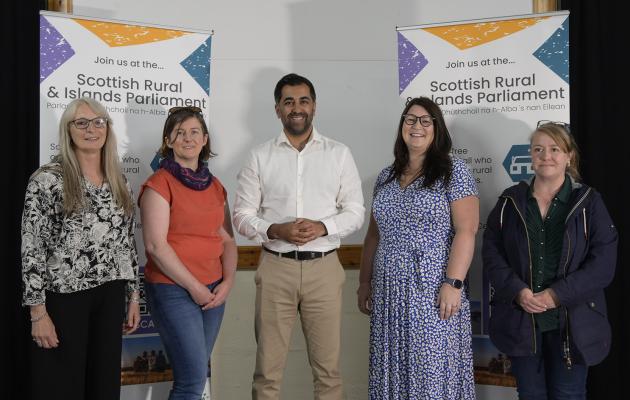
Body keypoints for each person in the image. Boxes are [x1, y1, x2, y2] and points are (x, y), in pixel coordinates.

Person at [233, 73, 365, 400]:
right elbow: (241, 215)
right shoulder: (259, 156)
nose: (296, 108)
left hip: (324, 268)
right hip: (276, 267)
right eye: (288, 101)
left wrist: (323, 227)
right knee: (267, 372)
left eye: (303, 100)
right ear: (277, 109)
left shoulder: (339, 153)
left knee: (328, 372)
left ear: (314, 107)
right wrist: (274, 229)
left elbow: (356, 211)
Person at [482, 121, 618, 399]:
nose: (546, 156)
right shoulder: (510, 201)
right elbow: (491, 253)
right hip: (522, 322)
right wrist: (517, 291)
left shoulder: (589, 202)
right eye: (538, 149)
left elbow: (603, 264)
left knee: (568, 394)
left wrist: (556, 295)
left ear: (569, 156)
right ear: (530, 156)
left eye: (555, 149)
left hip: (573, 324)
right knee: (530, 395)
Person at [357, 96, 478, 399]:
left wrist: (453, 283)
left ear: (437, 129)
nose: (417, 126)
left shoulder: (454, 171)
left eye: (426, 120)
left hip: (432, 288)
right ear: (402, 126)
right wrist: (363, 282)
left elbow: (467, 230)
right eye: (410, 119)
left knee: (429, 372)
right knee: (391, 371)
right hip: (387, 292)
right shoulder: (385, 176)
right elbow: (374, 235)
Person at [21, 97, 140, 400]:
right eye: (81, 123)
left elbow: (126, 242)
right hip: (65, 298)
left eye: (98, 121)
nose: (91, 129)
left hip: (111, 294)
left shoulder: (119, 180)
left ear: (107, 128)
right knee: (63, 387)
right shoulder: (47, 179)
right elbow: (31, 248)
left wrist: (133, 295)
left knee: (104, 386)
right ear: (68, 130)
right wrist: (38, 313)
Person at [139, 106, 237, 400]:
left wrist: (227, 283)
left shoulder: (216, 186)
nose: (187, 138)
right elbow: (156, 246)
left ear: (205, 139)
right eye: (179, 133)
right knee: (192, 381)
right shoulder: (159, 183)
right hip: (174, 289)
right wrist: (194, 287)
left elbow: (228, 240)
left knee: (193, 376)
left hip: (213, 291)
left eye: (194, 132)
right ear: (168, 141)